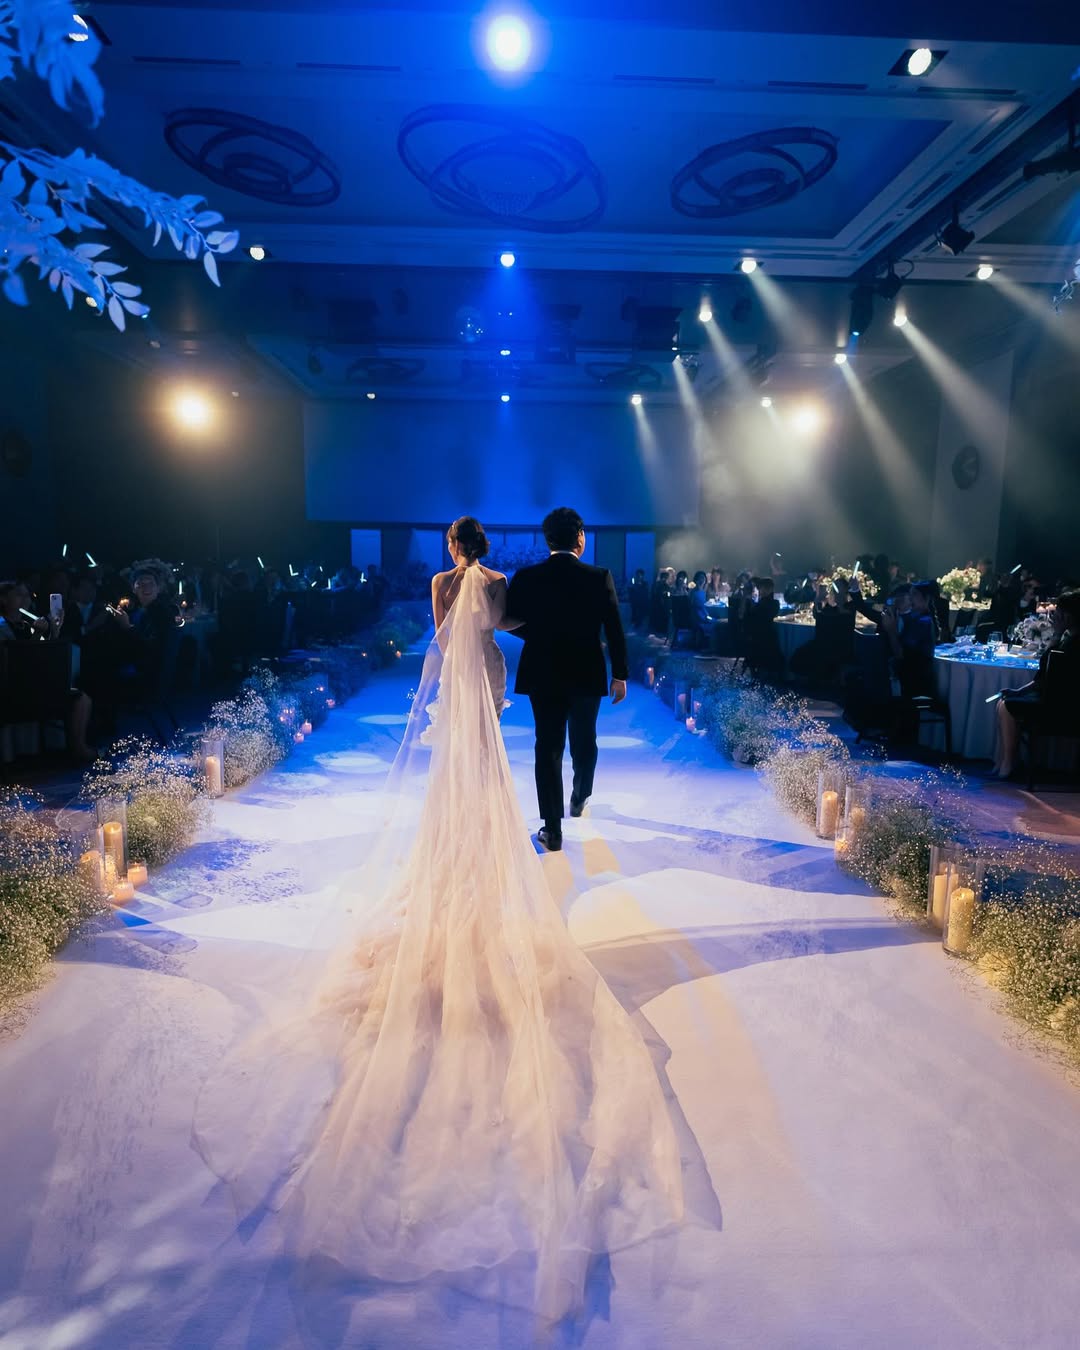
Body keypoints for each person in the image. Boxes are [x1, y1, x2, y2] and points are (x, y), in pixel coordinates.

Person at [193, 509, 682, 1329]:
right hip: (489, 679)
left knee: (462, 779)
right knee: (502, 770)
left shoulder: (440, 582)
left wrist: (472, 635)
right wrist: (511, 638)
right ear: (488, 548)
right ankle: (519, 837)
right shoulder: (503, 585)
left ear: (452, 548)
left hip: (464, 687)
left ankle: (469, 849)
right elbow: (498, 630)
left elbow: (443, 634)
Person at [504, 506, 628, 852]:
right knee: (585, 741)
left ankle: (552, 828)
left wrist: (538, 634)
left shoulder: (527, 577)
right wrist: (620, 674)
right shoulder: (598, 576)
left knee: (548, 747)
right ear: (580, 538)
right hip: (586, 670)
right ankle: (580, 795)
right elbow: (614, 629)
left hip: (542, 670)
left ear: (547, 540)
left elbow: (507, 620)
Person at [993, 590, 1080, 779]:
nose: (1054, 616)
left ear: (1068, 616)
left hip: (1063, 706)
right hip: (1055, 698)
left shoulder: (1073, 643)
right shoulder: (1069, 638)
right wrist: (1019, 691)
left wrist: (1056, 635)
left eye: (1058, 612)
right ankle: (1004, 760)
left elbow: (1048, 671)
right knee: (1003, 702)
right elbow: (1043, 677)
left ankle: (1008, 763)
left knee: (1007, 706)